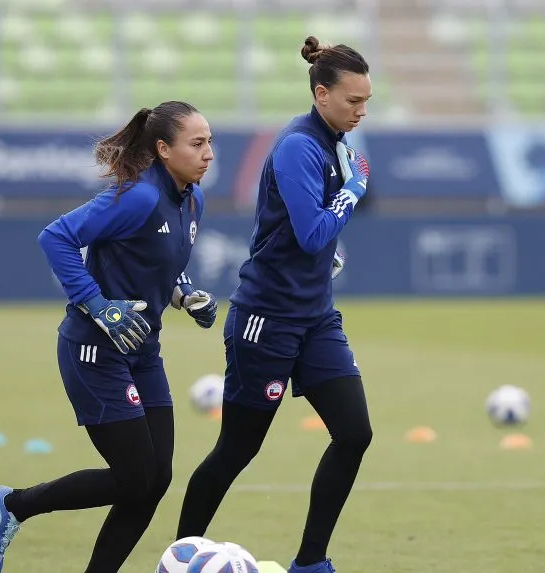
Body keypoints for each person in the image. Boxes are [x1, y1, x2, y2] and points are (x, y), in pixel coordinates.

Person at [0, 101, 219, 573]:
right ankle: (13, 504)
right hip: (94, 350)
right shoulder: (139, 197)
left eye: (209, 141)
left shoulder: (193, 200)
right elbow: (56, 237)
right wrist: (97, 304)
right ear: (163, 149)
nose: (208, 153)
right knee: (136, 477)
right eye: (197, 143)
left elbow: (158, 263)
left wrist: (184, 294)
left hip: (142, 350)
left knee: (156, 479)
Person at [175, 36, 372, 573]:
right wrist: (353, 190)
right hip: (267, 318)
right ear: (322, 94)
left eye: (366, 102)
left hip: (316, 317)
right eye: (353, 100)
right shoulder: (298, 147)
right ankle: (180, 556)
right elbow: (312, 234)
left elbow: (311, 236)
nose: (361, 111)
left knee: (354, 433)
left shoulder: (335, 141)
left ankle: (310, 563)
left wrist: (330, 251)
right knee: (238, 449)